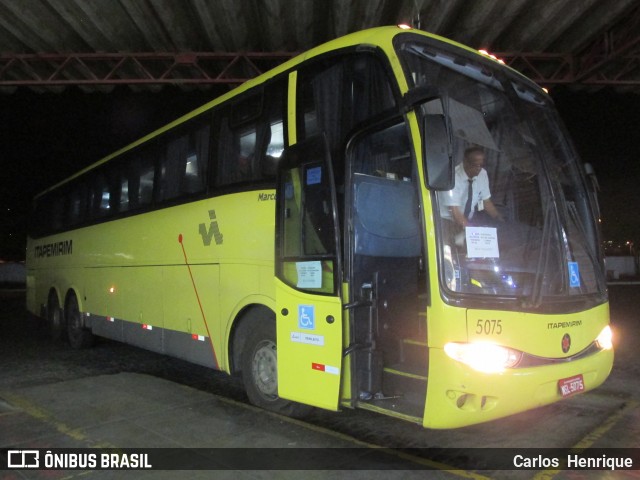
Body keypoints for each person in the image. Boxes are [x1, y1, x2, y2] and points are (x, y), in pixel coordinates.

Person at [440, 146, 504, 229]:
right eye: (475, 165)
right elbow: (454, 211)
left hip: (467, 221)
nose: (479, 169)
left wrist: (499, 218)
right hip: (447, 223)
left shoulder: (482, 174)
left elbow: (486, 201)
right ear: (465, 162)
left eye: (481, 165)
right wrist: (471, 231)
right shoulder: (452, 177)